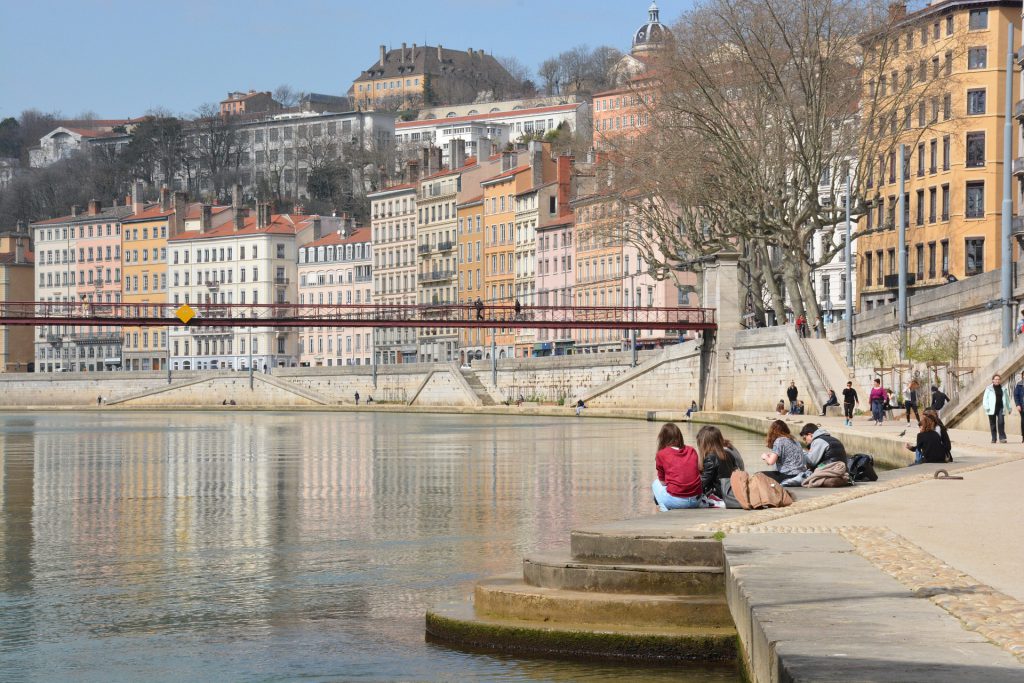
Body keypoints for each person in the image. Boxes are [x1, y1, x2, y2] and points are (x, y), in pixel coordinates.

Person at [652, 422, 703, 511]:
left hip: (677, 502)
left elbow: (662, 482)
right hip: (696, 500)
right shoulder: (691, 450)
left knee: (655, 484)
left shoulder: (661, 454)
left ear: (662, 439)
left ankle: (664, 510)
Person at [697, 425, 746, 508]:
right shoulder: (728, 454)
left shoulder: (710, 458)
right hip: (728, 492)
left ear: (704, 443)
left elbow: (703, 483)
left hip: (718, 494)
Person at [760, 419, 808, 484]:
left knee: (759, 475)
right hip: (800, 474)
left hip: (788, 475)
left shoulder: (779, 441)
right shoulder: (795, 440)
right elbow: (789, 455)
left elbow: (771, 462)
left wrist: (765, 456)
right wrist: (771, 454)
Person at [983, 373, 1012, 444]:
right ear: (993, 380)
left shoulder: (1003, 388)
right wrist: (986, 407)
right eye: (996, 379)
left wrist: (1009, 408)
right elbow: (985, 399)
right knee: (992, 424)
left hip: (1000, 408)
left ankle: (1002, 438)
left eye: (998, 379)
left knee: (1001, 422)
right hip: (991, 409)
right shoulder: (988, 389)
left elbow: (1007, 399)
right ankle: (994, 438)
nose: (997, 381)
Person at [1015, 372, 1024, 444]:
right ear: (1022, 376)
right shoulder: (1019, 384)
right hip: (1022, 406)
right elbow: (1016, 395)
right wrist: (1018, 405)